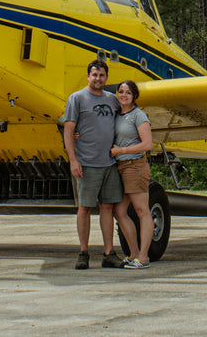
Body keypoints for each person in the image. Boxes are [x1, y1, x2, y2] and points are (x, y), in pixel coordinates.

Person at [62, 58, 124, 269]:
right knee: (84, 208)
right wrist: (73, 160)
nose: (98, 79)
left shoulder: (113, 100)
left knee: (107, 207)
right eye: (94, 75)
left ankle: (109, 253)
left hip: (109, 163)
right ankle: (83, 252)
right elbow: (68, 129)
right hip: (86, 163)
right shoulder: (76, 98)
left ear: (107, 78)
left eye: (102, 75)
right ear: (88, 76)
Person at [110, 79, 155, 269]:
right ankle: (133, 253)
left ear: (134, 96)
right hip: (119, 168)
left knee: (142, 211)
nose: (123, 95)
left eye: (128, 93)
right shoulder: (117, 115)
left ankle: (143, 257)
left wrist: (122, 151)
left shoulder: (139, 115)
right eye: (120, 92)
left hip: (135, 165)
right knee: (119, 212)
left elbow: (147, 144)